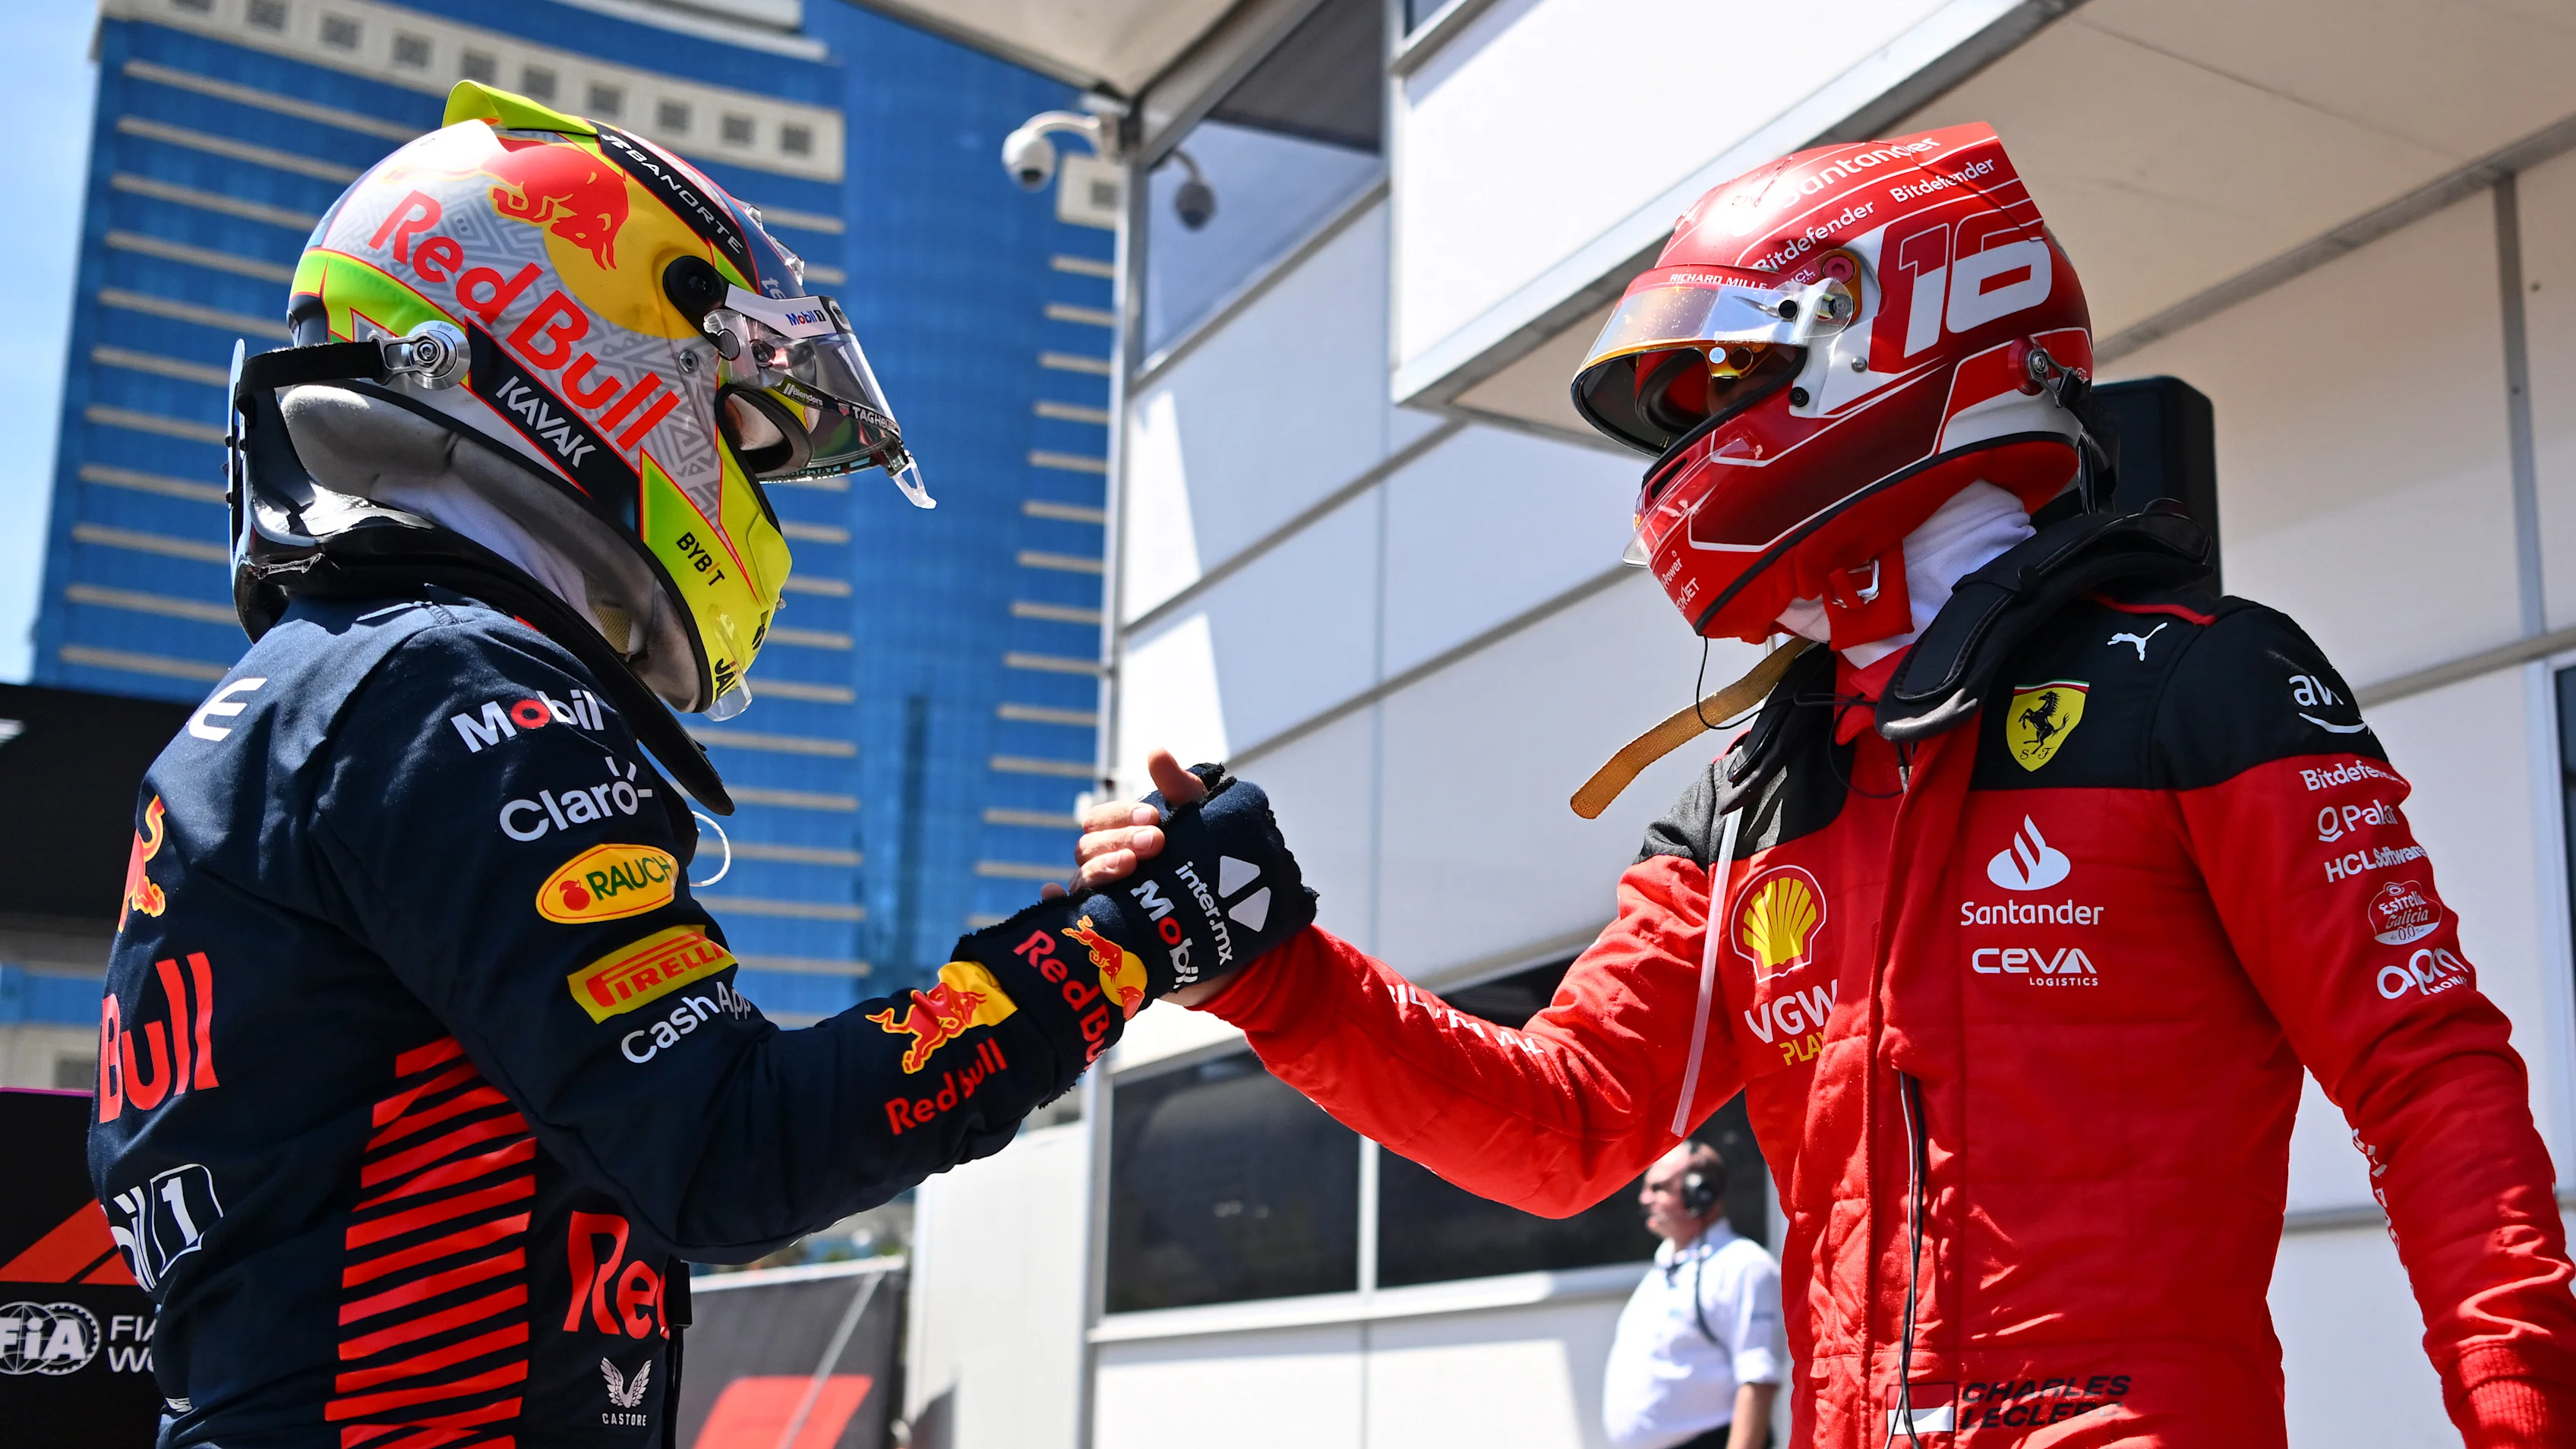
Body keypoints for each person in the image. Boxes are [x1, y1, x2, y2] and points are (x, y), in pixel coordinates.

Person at [1077, 122, 2576, 1447]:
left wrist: (2521, 1415)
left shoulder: (2203, 680)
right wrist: (1274, 970)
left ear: (1901, 314)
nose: (1685, 440)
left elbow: (2426, 1078)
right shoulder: (1748, 796)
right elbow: (1565, 1125)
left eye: (1717, 377)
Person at [90, 83, 1309, 1447]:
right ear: (569, 345)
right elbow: (732, 1148)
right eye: (738, 430)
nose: (752, 489)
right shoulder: (449, 684)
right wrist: (1129, 937)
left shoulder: (323, 689)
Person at [1605, 1143, 1782, 1449]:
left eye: (1659, 1188)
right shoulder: (1664, 1267)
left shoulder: (1743, 1266)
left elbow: (1758, 1380)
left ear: (1701, 1194)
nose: (1644, 1199)